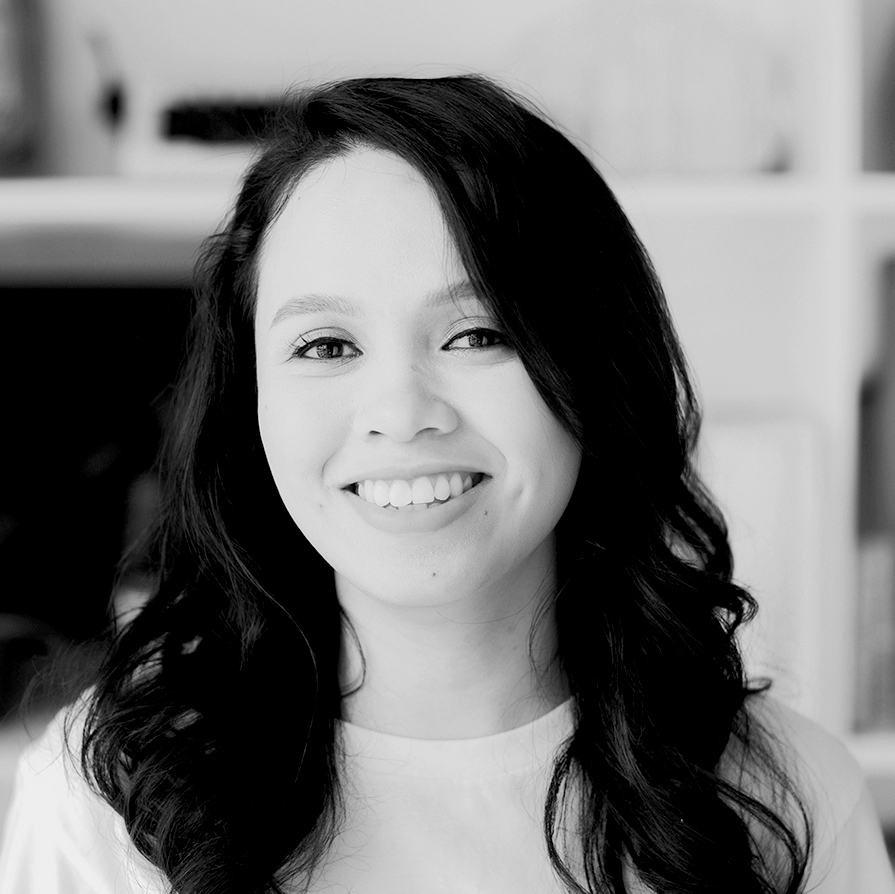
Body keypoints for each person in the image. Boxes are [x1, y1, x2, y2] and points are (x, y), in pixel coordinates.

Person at [1, 75, 892, 894]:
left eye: (476, 335)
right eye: (324, 345)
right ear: (252, 401)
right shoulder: (103, 806)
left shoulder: (787, 798)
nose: (401, 412)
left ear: (595, 369)